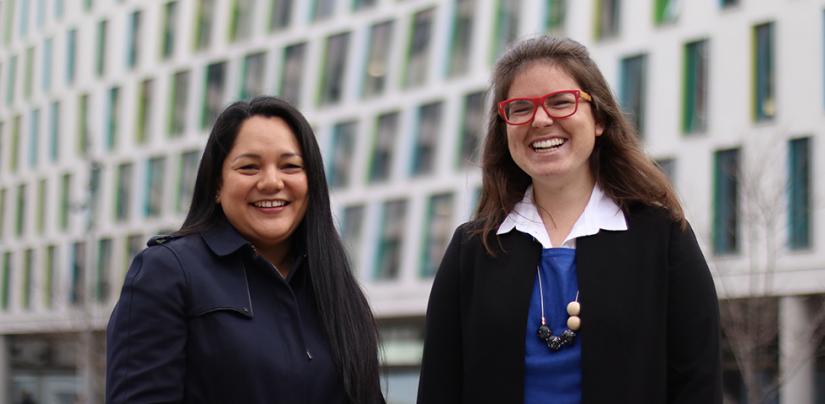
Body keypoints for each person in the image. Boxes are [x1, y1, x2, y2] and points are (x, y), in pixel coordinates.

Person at [417, 36, 721, 404]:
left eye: (561, 103)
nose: (541, 120)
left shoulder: (662, 237)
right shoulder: (472, 250)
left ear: (599, 120)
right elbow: (439, 388)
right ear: (505, 127)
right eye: (520, 108)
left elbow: (697, 386)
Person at [106, 96, 385, 404]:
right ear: (216, 184)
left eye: (290, 166)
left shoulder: (334, 286)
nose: (271, 182)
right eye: (249, 167)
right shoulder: (168, 272)